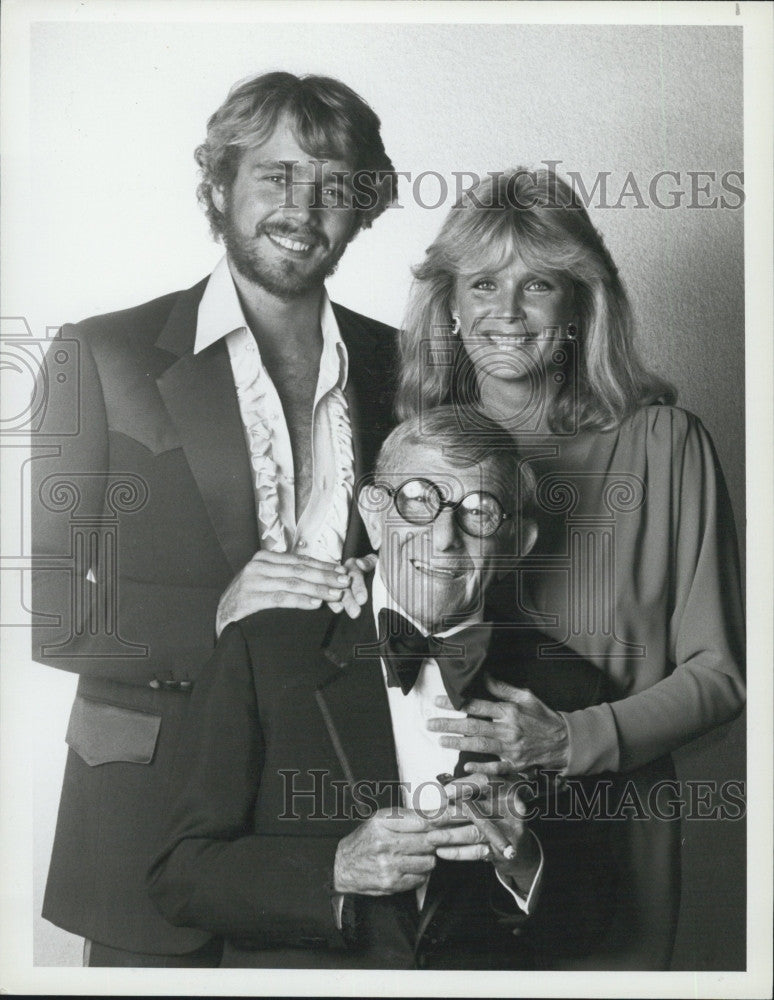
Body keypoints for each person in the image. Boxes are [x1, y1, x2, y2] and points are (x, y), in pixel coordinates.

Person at [30, 71, 399, 967]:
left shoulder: (401, 362)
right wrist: (217, 615)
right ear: (220, 185)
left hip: (337, 814)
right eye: (275, 175)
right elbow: (45, 603)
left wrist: (389, 591)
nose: (302, 208)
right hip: (149, 814)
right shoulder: (100, 352)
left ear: (364, 207)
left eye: (333, 184)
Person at [394, 167, 746, 967]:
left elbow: (723, 674)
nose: (507, 314)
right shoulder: (412, 453)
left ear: (582, 304)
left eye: (538, 285)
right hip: (441, 829)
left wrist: (576, 739)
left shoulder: (664, 446)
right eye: (483, 283)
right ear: (450, 304)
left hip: (611, 824)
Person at [147, 407, 618, 969]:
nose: (444, 539)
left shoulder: (571, 687)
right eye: (418, 499)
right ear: (373, 515)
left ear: (517, 540)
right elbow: (180, 873)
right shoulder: (261, 652)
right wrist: (336, 870)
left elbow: (599, 918)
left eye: (480, 512)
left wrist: (526, 861)